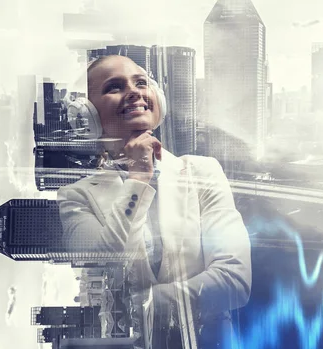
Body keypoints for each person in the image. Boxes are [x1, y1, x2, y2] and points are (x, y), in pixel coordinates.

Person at [57, 55, 252, 348]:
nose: (134, 92)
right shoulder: (76, 198)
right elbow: (107, 263)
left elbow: (234, 281)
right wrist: (138, 180)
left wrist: (146, 305)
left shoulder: (202, 172)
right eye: (114, 87)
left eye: (141, 82)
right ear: (87, 115)